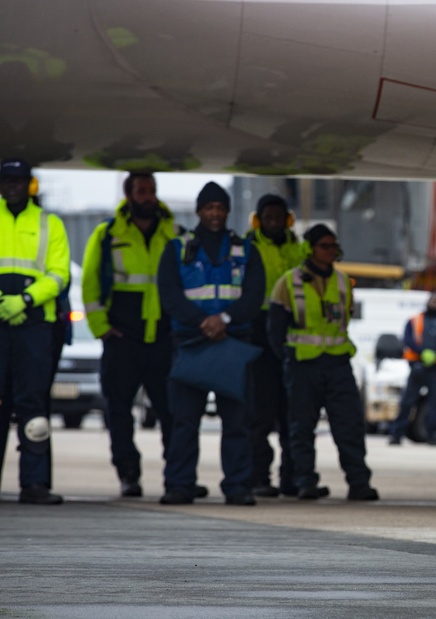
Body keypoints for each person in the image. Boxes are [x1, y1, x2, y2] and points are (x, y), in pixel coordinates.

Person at [157, 181, 265, 506]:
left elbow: (255, 294)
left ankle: (238, 486)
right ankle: (179, 485)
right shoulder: (177, 248)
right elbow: (169, 293)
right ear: (199, 211)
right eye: (209, 208)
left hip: (233, 344)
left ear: (227, 211)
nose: (214, 214)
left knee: (237, 421)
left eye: (220, 208)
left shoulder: (245, 250)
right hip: (191, 342)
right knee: (185, 420)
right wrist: (202, 322)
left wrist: (225, 320)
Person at [81, 171, 180, 497]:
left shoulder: (175, 233)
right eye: (141, 191)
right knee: (118, 411)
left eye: (151, 190)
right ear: (129, 195)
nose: (147, 196)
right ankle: (128, 474)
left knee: (172, 411)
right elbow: (91, 283)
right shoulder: (108, 233)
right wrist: (102, 329)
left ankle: (176, 476)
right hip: (122, 338)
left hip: (163, 338)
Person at [268, 224, 379, 501]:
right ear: (309, 249)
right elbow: (275, 330)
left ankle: (359, 483)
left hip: (338, 363)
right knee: (301, 427)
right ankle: (305, 482)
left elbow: (344, 320)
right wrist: (288, 359)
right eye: (324, 246)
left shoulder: (343, 282)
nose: (331, 251)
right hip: (303, 365)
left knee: (350, 425)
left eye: (333, 246)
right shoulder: (288, 282)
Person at [0, 158, 70, 504]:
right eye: (7, 180)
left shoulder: (49, 223)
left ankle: (35, 483)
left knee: (33, 405)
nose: (12, 185)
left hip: (34, 326)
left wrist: (25, 300)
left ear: (29, 184)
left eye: (19, 180)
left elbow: (59, 274)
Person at [246, 194, 302, 497]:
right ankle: (258, 476)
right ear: (258, 220)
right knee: (260, 412)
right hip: (257, 332)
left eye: (278, 217)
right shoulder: (247, 247)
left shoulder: (299, 249)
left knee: (291, 412)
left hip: (291, 333)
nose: (273, 223)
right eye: (267, 218)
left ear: (287, 219)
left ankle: (292, 478)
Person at [388, 292, 436, 445]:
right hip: (417, 367)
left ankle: (433, 434)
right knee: (406, 402)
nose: (434, 303)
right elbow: (408, 339)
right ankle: (396, 434)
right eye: (432, 301)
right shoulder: (414, 321)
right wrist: (421, 354)